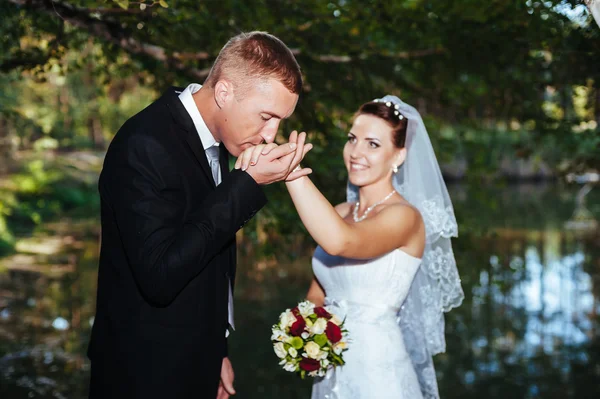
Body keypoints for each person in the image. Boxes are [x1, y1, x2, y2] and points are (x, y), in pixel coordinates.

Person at [87, 31, 312, 399]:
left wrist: (216, 349)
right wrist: (246, 184)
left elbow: (210, 256)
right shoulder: (145, 144)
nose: (271, 135)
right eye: (267, 116)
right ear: (224, 92)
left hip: (197, 361)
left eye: (280, 121)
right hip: (145, 374)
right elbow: (160, 275)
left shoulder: (218, 136)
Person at [237, 95, 464, 398]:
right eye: (352, 139)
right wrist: (302, 338)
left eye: (373, 144)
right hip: (330, 372)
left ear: (398, 156)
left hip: (378, 373)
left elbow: (341, 242)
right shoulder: (340, 212)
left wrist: (290, 171)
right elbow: (318, 295)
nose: (356, 152)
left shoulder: (405, 217)